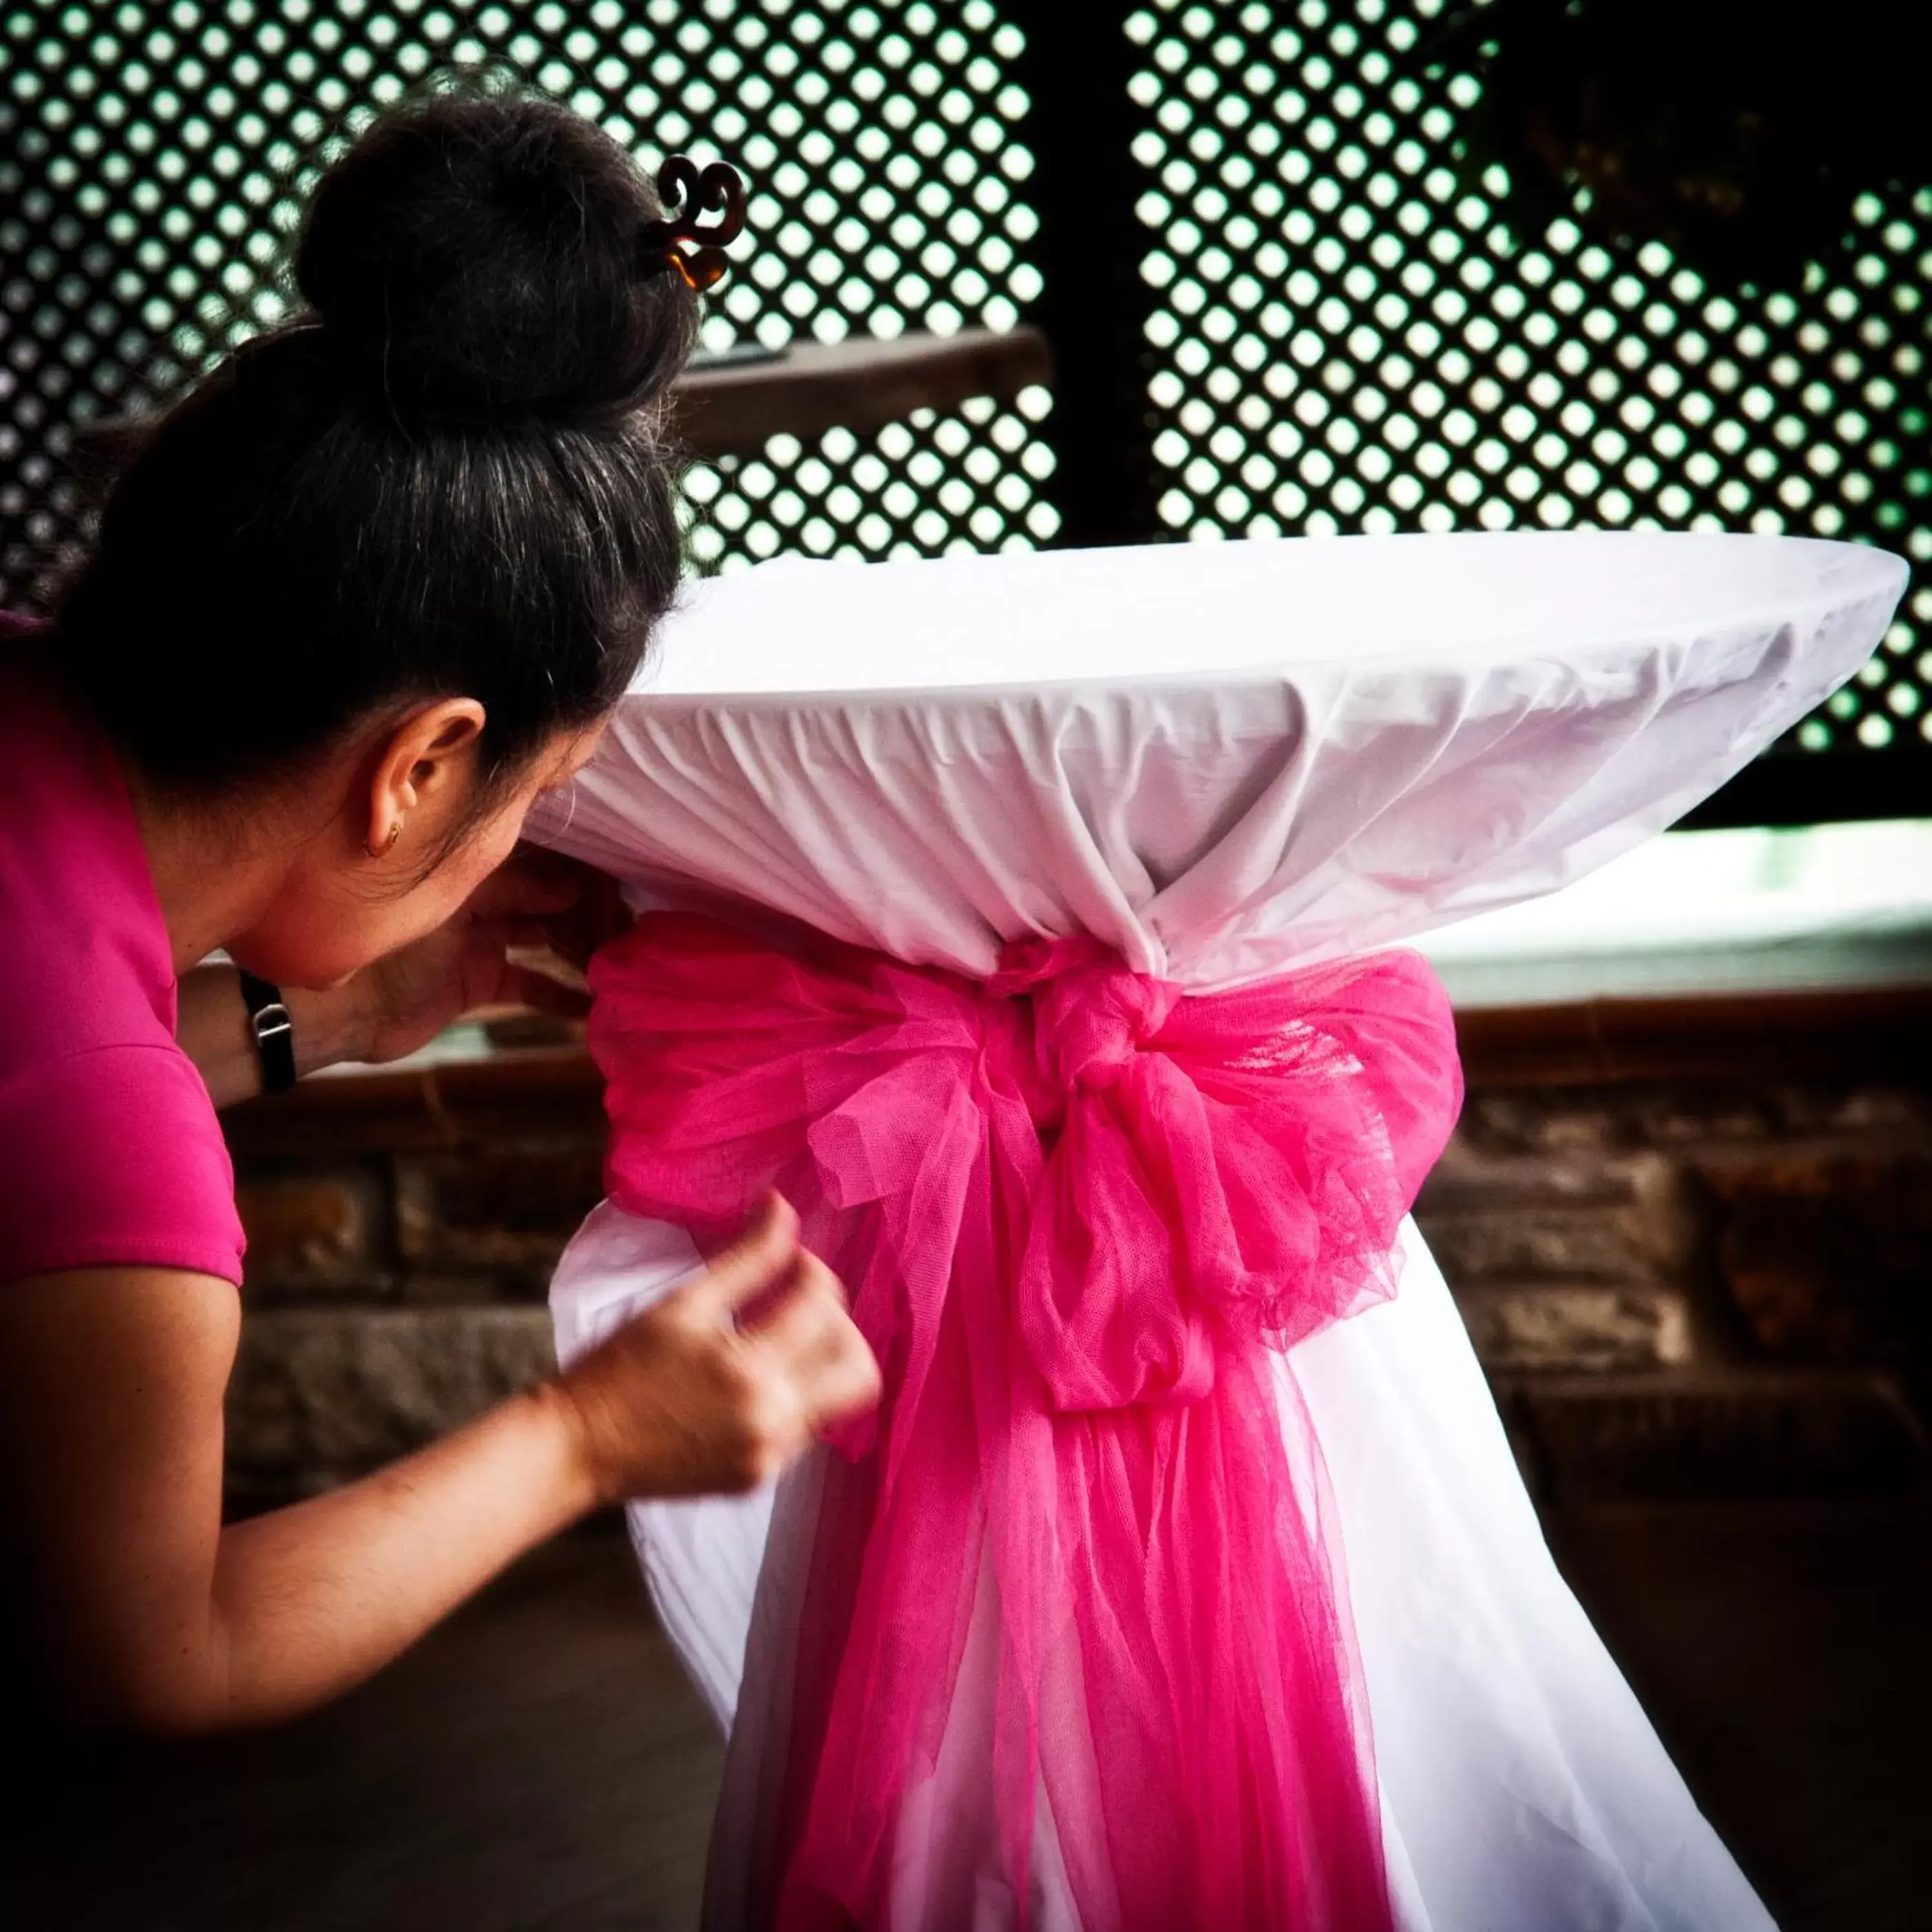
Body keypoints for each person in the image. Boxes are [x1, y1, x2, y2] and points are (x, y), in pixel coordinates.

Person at [0, 87, 881, 1737]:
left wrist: (328, 1012)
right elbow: (150, 1659)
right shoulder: (103, 1121)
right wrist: (585, 1439)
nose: (523, 839)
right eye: (539, 796)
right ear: (419, 766)